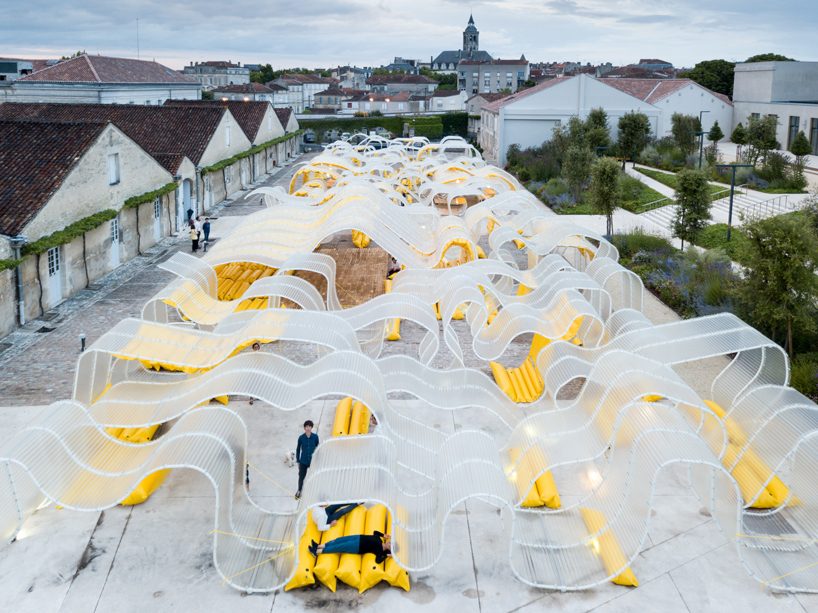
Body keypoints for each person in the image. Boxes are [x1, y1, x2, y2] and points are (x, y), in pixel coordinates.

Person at [309, 531, 392, 564]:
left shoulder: (380, 551)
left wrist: (387, 555)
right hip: (358, 537)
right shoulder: (379, 539)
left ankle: (316, 552)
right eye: (390, 542)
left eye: (391, 546)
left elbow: (378, 561)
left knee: (338, 547)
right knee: (339, 540)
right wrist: (383, 535)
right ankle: (319, 546)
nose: (390, 543)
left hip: (357, 547)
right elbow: (375, 532)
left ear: (390, 549)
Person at [295, 420, 319, 499]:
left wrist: (317, 459)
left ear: (311, 427)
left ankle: (316, 491)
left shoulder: (315, 437)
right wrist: (298, 460)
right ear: (304, 428)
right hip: (303, 461)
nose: (308, 428)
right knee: (301, 477)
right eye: (306, 427)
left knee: (315, 476)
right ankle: (299, 490)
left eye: (309, 426)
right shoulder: (301, 438)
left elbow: (317, 447)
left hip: (312, 461)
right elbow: (298, 449)